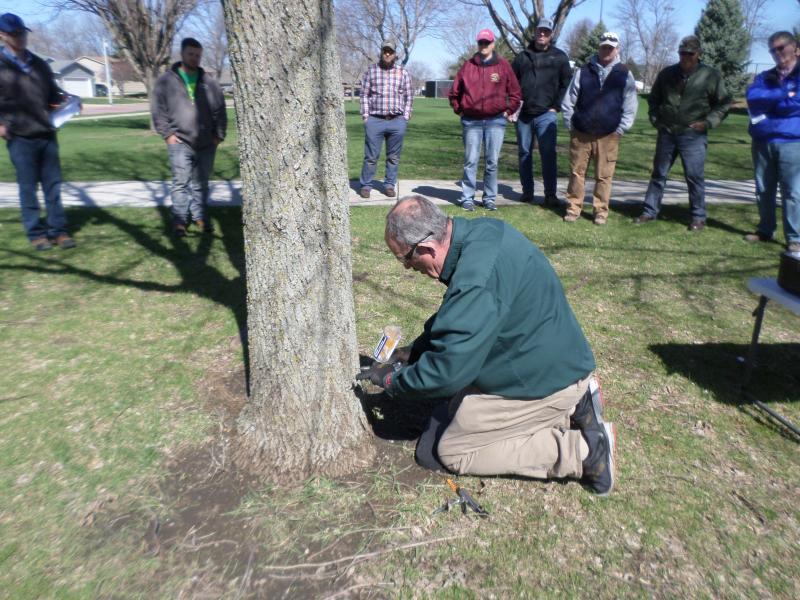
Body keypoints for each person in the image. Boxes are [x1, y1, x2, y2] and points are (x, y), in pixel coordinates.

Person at [357, 195, 616, 496]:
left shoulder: (476, 282)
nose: (406, 268)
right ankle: (576, 401)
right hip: (550, 357)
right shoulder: (482, 234)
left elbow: (446, 374)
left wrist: (391, 380)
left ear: (426, 248)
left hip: (544, 377)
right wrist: (415, 350)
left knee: (451, 449)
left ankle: (586, 452)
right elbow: (461, 319)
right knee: (449, 415)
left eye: (405, 259)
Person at [635, 36, 731, 232]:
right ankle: (649, 211)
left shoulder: (710, 75)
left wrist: (708, 123)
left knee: (694, 176)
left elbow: (723, 103)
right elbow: (653, 100)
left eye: (690, 53)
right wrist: (656, 120)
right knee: (658, 174)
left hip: (693, 135)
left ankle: (698, 217)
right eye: (682, 53)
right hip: (667, 132)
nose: (685, 57)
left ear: (698, 54)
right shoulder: (667, 73)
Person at [0, 13, 75, 250]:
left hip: (45, 133)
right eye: (15, 34)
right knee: (28, 187)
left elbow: (53, 95)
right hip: (19, 135)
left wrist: (69, 101)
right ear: (2, 36)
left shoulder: (40, 64)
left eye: (22, 33)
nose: (21, 38)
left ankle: (59, 231)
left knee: (53, 185)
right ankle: (36, 234)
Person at [151, 37, 227, 237]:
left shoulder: (210, 83)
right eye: (191, 54)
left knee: (201, 183)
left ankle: (200, 216)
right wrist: (167, 135)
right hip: (179, 141)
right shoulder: (166, 81)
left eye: (198, 55)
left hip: (206, 143)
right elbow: (158, 111)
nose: (195, 58)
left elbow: (220, 111)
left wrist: (218, 136)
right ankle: (179, 220)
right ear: (182, 54)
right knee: (181, 182)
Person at [561, 32, 638, 225]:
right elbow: (569, 100)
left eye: (611, 47)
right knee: (577, 173)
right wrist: (571, 124)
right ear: (599, 48)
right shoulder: (583, 71)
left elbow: (630, 105)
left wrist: (621, 129)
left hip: (609, 135)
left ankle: (600, 211)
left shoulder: (624, 73)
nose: (607, 50)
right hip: (581, 133)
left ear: (617, 49)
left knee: (604, 176)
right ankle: (573, 208)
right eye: (604, 46)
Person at [449, 29, 521, 211]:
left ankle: (489, 198)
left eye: (487, 42)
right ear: (478, 44)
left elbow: (515, 93)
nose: (484, 46)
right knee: (470, 161)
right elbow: (454, 92)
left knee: (492, 162)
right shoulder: (468, 66)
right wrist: (461, 110)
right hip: (471, 121)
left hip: (496, 121)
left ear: (493, 44)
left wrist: (507, 111)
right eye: (481, 42)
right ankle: (467, 197)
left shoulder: (503, 66)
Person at [744, 31, 800, 253]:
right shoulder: (764, 76)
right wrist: (785, 95)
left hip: (792, 143)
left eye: (781, 47)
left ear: (794, 47)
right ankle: (765, 230)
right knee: (763, 188)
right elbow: (754, 99)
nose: (777, 53)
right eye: (772, 50)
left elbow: (796, 106)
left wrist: (772, 103)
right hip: (762, 141)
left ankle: (794, 237)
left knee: (793, 192)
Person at [511, 18, 572, 205]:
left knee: (548, 154)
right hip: (524, 115)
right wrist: (513, 106)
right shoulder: (523, 56)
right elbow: (512, 83)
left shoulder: (560, 57)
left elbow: (566, 84)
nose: (542, 34)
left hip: (547, 114)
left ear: (551, 34)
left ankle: (550, 195)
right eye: (539, 31)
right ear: (535, 32)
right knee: (524, 153)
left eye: (546, 32)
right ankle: (527, 192)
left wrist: (556, 106)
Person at [358, 40, 413, 199]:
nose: (387, 54)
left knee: (393, 157)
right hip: (375, 120)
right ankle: (366, 185)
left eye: (390, 51)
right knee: (370, 157)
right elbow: (364, 95)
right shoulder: (371, 71)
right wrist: (366, 116)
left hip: (397, 121)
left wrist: (406, 116)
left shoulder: (403, 73)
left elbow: (409, 96)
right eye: (385, 51)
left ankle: (389, 185)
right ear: (381, 53)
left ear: (395, 54)